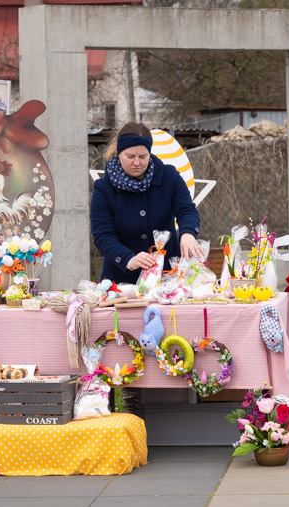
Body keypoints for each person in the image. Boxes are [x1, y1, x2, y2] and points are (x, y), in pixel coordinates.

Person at [90, 121, 203, 414]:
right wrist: (128, 258)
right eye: (131, 157)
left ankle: (172, 408)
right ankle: (125, 405)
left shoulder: (167, 176)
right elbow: (102, 235)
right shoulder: (103, 188)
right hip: (121, 282)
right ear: (119, 153)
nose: (137, 162)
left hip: (168, 278)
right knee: (125, 344)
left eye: (143, 156)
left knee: (170, 335)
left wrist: (188, 231)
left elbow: (186, 210)